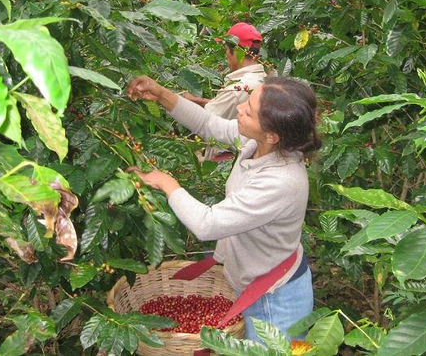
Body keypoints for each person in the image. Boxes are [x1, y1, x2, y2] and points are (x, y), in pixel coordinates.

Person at [127, 74, 321, 343]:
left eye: (249, 111)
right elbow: (209, 124)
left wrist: (167, 183)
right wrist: (161, 94)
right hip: (251, 283)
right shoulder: (256, 143)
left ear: (273, 135)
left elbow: (207, 224)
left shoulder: (282, 180)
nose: (240, 109)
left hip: (275, 300)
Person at [182, 22, 267, 161]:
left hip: (227, 161)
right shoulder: (260, 78)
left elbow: (204, 122)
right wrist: (199, 101)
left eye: (226, 50)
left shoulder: (238, 88)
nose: (226, 55)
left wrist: (168, 99)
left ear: (236, 52)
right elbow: (235, 105)